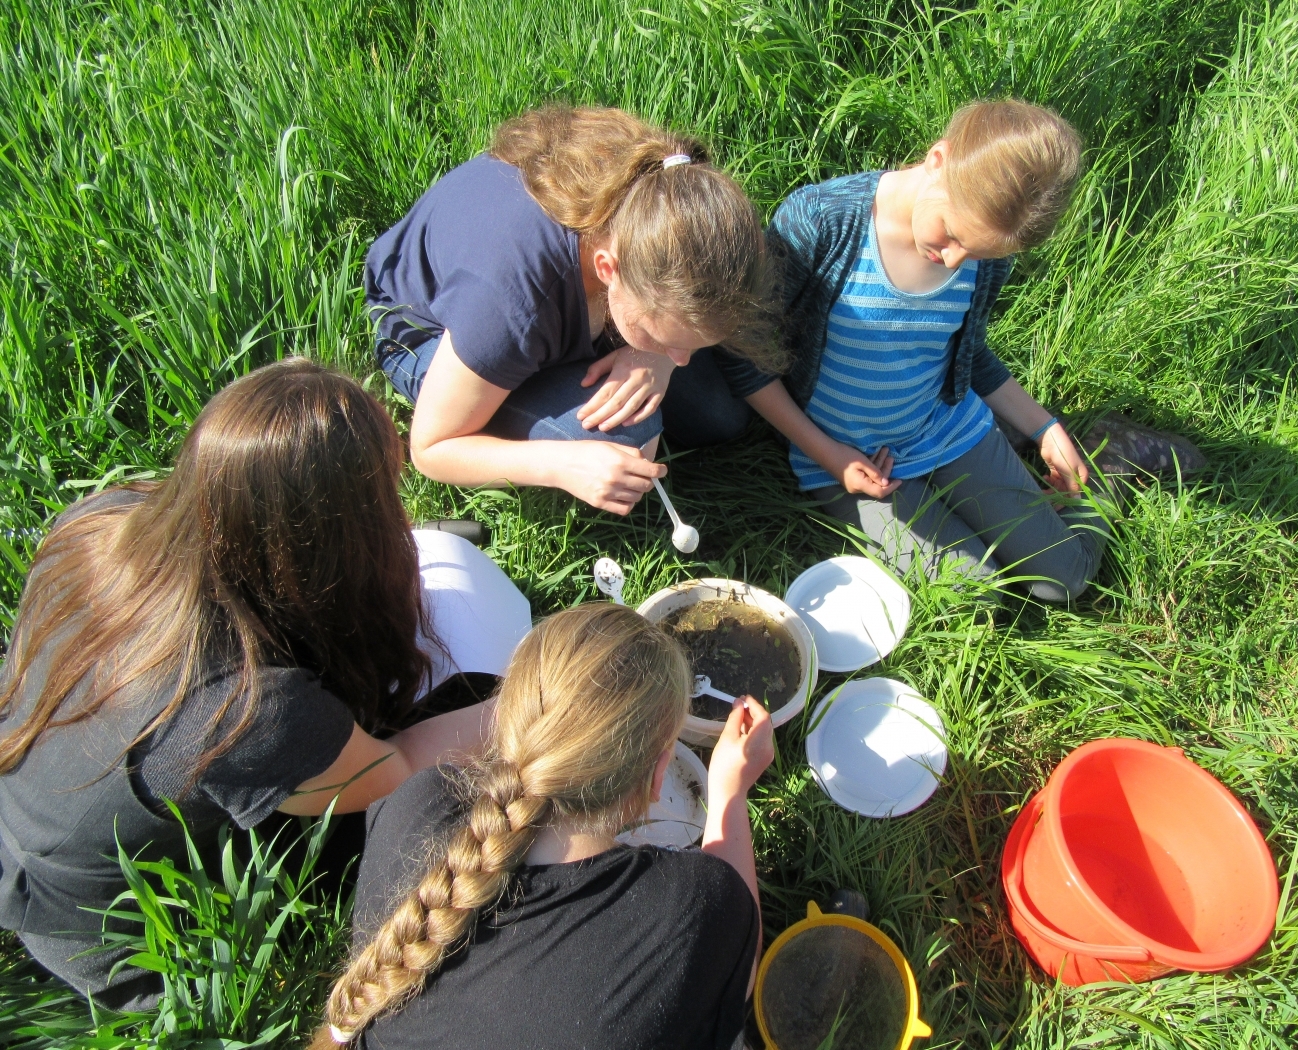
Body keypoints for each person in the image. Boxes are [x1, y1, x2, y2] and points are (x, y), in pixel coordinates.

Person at [0, 359, 503, 1009]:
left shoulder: (100, 520)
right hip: (114, 928)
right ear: (320, 553)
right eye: (383, 508)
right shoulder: (252, 710)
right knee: (445, 764)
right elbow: (396, 766)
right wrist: (540, 690)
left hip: (29, 812)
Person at [718, 99, 1197, 601]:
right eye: (951, 234)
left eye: (979, 251)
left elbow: (968, 354)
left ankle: (1112, 458)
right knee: (976, 596)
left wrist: (1044, 426)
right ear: (937, 161)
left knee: (1063, 581)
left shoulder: (982, 259)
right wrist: (830, 455)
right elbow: (746, 356)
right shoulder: (822, 222)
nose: (954, 258)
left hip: (944, 427)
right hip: (844, 456)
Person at [311, 604, 772, 1050]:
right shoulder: (690, 911)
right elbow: (740, 966)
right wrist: (730, 793)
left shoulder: (415, 805)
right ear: (659, 777)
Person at [367, 106, 782, 517]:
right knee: (629, 441)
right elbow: (432, 448)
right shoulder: (516, 302)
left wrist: (655, 356)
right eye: (659, 338)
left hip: (545, 307)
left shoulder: (669, 197)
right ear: (608, 270)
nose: (681, 359)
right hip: (428, 332)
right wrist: (561, 465)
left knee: (720, 415)